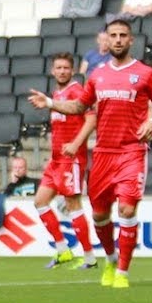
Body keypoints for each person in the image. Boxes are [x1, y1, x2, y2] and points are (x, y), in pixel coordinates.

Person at [29, 19, 152, 288]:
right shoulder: (97, 75)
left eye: (122, 35)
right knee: (99, 216)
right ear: (106, 40)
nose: (117, 39)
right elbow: (80, 107)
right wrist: (50, 102)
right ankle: (110, 259)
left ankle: (123, 273)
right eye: (113, 35)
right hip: (103, 153)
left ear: (131, 40)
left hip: (132, 151)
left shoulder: (145, 73)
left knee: (127, 209)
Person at [26, 53, 99, 269]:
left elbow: (91, 118)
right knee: (40, 201)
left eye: (66, 68)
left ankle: (89, 258)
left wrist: (76, 144)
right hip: (56, 159)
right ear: (52, 71)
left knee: (72, 204)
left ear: (72, 70)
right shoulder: (57, 93)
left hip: (72, 158)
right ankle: (62, 250)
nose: (62, 71)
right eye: (58, 68)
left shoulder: (77, 91)